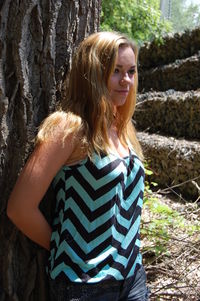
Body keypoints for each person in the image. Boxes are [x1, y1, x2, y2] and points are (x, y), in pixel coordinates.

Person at [7, 31, 149, 301]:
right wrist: (69, 252)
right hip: (85, 286)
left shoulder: (123, 126)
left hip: (132, 280)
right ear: (94, 72)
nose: (126, 81)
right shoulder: (69, 127)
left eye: (131, 71)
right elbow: (19, 208)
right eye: (116, 71)